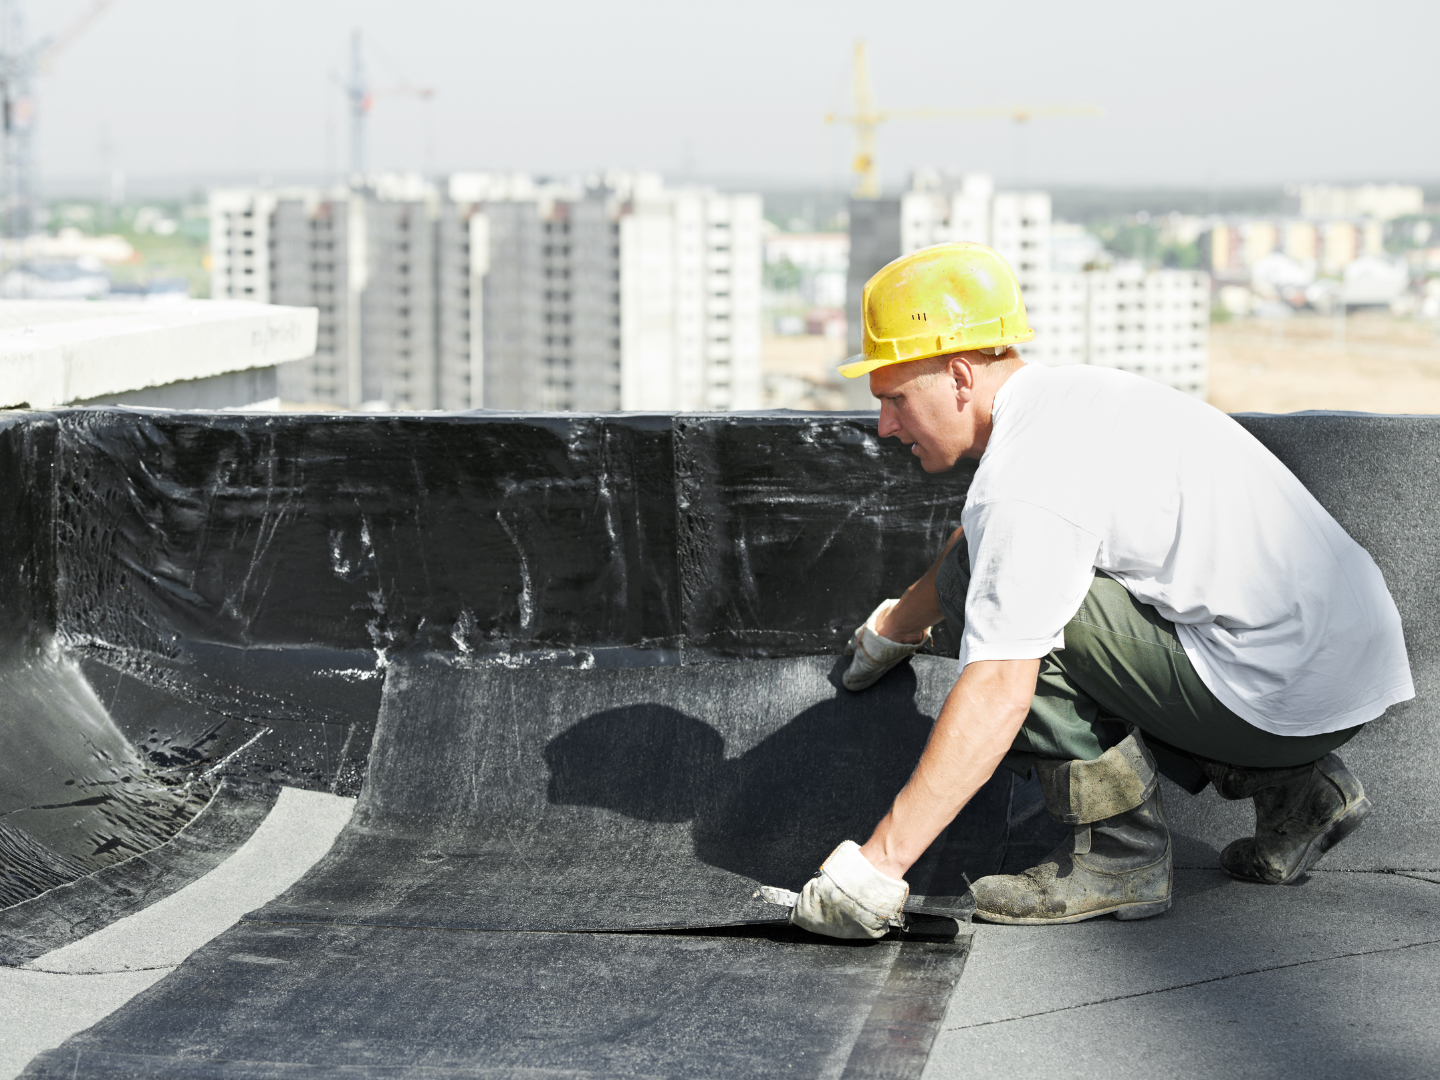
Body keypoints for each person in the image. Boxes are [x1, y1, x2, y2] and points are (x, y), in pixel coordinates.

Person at [789, 242, 1414, 939]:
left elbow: (999, 687)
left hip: (1281, 694)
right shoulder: (1074, 398)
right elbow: (988, 541)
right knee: (1006, 574)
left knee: (1013, 616)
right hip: (1336, 668)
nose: (885, 426)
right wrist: (895, 629)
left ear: (960, 374)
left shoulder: (1026, 476)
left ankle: (1120, 857)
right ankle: (1299, 792)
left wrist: (877, 869)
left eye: (896, 399)